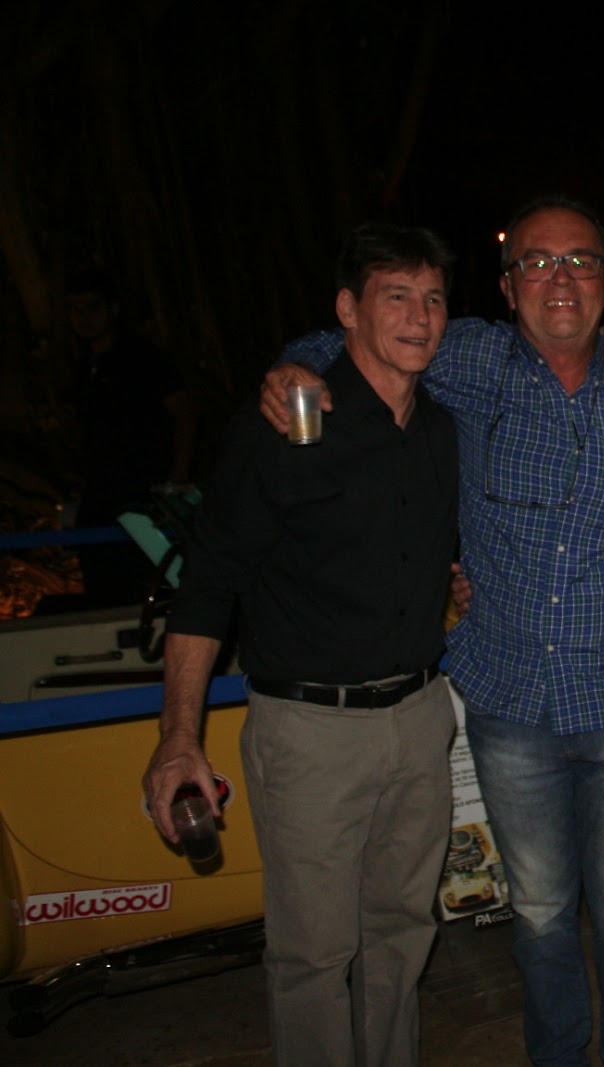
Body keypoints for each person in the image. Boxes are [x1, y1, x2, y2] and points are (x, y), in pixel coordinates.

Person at [263, 195, 604, 1067]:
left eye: (580, 261)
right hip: (509, 697)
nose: (560, 279)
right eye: (537, 262)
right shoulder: (469, 359)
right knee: (538, 912)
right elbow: (350, 339)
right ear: (505, 284)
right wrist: (293, 368)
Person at [141, 222, 460, 1067]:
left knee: (402, 933)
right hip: (311, 730)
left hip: (421, 717)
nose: (420, 317)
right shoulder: (285, 425)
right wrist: (178, 737)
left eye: (433, 298)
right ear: (348, 310)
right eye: (397, 296)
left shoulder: (442, 429)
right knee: (314, 955)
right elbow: (208, 583)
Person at [64, 268, 196, 606]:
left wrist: (176, 481)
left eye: (93, 307)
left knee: (150, 577)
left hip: (142, 490)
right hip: (101, 493)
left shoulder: (143, 359)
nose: (84, 318)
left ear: (113, 308)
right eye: (76, 310)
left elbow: (183, 414)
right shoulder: (84, 368)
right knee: (101, 578)